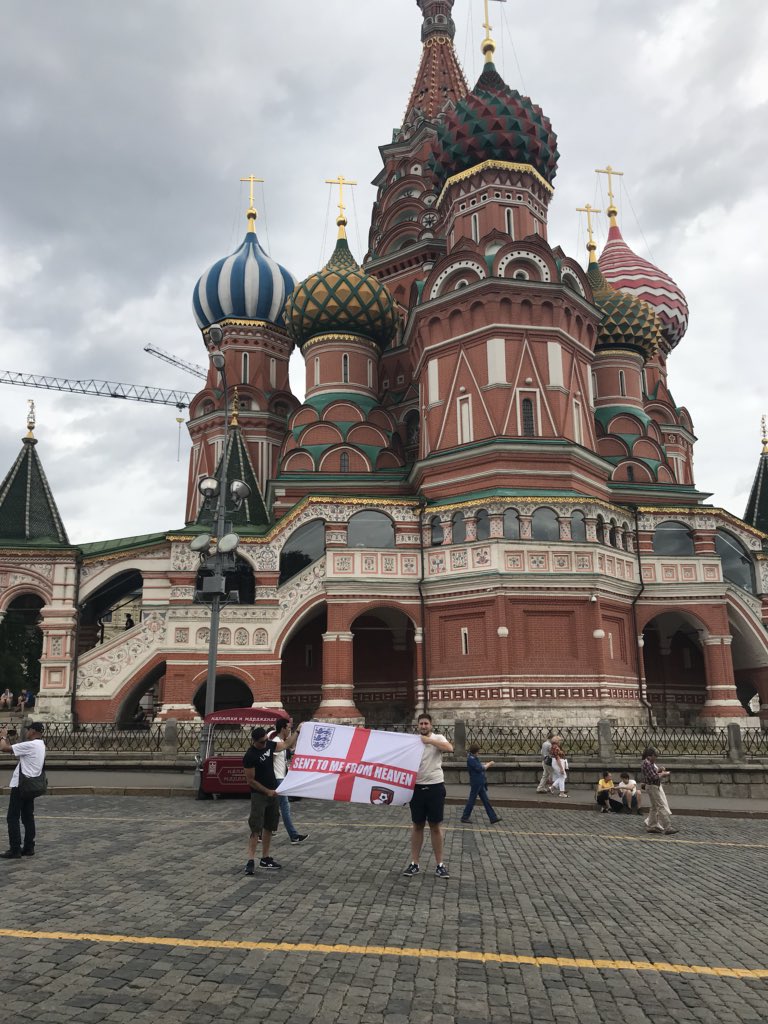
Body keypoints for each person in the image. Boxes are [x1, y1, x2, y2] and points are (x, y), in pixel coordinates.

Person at [242, 722, 301, 874]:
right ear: (254, 741)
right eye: (261, 742)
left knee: (269, 826)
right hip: (259, 795)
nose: (264, 744)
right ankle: (250, 860)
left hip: (273, 792)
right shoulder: (250, 756)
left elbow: (287, 744)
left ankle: (265, 858)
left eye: (265, 741)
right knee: (256, 828)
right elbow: (250, 780)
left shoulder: (269, 745)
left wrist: (297, 731)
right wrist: (266, 791)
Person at [403, 713, 453, 879]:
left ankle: (440, 864)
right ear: (418, 726)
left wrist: (430, 741)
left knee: (435, 825)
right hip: (416, 788)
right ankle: (415, 863)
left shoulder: (438, 738)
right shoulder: (413, 741)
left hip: (435, 787)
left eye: (426, 723)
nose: (423, 726)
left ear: (431, 725)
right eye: (421, 724)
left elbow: (450, 748)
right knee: (417, 825)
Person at [0, 721, 46, 859]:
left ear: (32, 731)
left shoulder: (30, 745)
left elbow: (4, 748)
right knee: (27, 816)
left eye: (27, 730)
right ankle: (29, 847)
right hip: (31, 785)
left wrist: (2, 737)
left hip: (21, 785)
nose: (26, 732)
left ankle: (15, 849)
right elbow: (17, 751)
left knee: (12, 817)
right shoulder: (41, 745)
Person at [268, 719, 308, 845]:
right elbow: (269, 761)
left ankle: (263, 831)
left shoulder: (281, 742)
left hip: (281, 778)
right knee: (284, 807)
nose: (289, 731)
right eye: (288, 728)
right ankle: (293, 835)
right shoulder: (275, 742)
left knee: (272, 807)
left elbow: (289, 745)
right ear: (282, 729)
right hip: (277, 779)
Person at [640, 746, 678, 835]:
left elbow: (653, 773)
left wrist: (659, 770)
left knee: (654, 807)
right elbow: (653, 777)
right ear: (650, 756)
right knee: (661, 806)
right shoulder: (647, 763)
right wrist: (663, 774)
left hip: (651, 786)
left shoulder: (647, 763)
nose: (655, 759)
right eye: (655, 757)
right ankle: (667, 827)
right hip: (653, 787)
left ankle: (651, 826)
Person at [460, 744, 500, 824]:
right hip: (476, 782)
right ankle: (465, 817)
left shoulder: (473, 758)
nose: (478, 753)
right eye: (478, 751)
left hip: (479, 782)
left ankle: (493, 817)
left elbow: (479, 766)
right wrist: (489, 764)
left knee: (485, 800)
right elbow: (480, 768)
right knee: (472, 800)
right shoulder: (471, 759)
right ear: (476, 752)